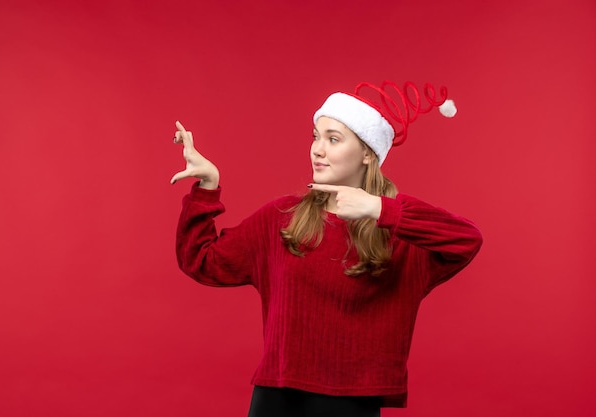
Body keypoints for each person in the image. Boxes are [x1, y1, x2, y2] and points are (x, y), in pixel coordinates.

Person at [170, 80, 483, 417]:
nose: (317, 149)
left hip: (353, 404)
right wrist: (207, 187)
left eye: (333, 139)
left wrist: (381, 210)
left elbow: (466, 239)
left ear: (367, 152)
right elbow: (201, 260)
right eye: (316, 136)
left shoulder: (400, 232)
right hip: (277, 399)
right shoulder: (281, 218)